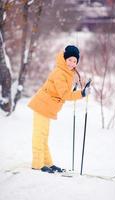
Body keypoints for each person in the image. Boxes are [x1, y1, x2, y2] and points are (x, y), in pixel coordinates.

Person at [28, 45, 90, 173]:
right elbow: (65, 95)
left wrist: (76, 91)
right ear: (64, 59)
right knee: (39, 135)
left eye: (75, 61)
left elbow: (63, 91)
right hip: (42, 105)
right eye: (70, 60)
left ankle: (47, 163)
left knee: (44, 136)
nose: (72, 63)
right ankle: (37, 163)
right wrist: (81, 94)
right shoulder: (60, 72)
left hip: (47, 107)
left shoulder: (68, 72)